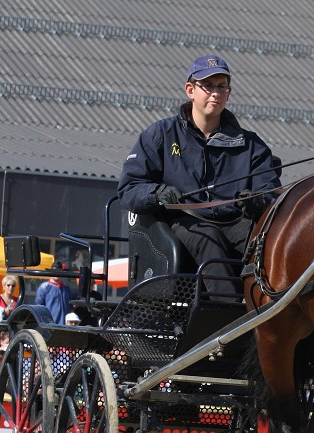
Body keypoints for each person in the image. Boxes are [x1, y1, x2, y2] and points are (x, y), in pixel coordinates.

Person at [117, 55, 281, 298]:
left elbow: (269, 193)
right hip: (182, 220)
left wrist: (258, 201)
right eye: (208, 85)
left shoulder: (251, 145)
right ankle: (228, 317)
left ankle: (275, 307)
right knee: (208, 237)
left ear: (229, 92)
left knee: (268, 241)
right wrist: (157, 193)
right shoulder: (160, 135)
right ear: (190, 90)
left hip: (236, 222)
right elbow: (129, 188)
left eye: (221, 86)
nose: (215, 92)